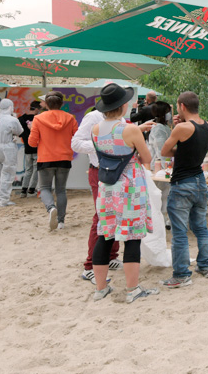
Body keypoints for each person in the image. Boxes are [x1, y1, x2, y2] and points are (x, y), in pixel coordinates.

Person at [90, 83, 158, 303]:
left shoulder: (96, 129)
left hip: (108, 187)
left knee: (105, 234)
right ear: (123, 105)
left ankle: (100, 288)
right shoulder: (130, 129)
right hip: (130, 186)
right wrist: (138, 136)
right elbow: (146, 158)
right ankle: (132, 289)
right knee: (132, 236)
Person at [160, 91, 208, 288]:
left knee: (180, 232)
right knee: (200, 227)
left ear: (182, 106)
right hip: (200, 182)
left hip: (183, 183)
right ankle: (205, 266)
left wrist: (176, 128)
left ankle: (182, 274)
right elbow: (191, 149)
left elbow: (165, 151)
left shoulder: (182, 128)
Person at [71, 107, 121, 284]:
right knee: (101, 217)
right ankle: (90, 266)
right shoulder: (93, 117)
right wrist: (99, 145)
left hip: (117, 172)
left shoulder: (121, 119)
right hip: (99, 171)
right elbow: (76, 143)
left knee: (115, 215)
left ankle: (112, 256)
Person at [29, 91, 79, 231]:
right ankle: (61, 221)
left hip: (45, 158)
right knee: (61, 190)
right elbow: (77, 137)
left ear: (47, 104)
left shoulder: (38, 119)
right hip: (64, 158)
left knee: (44, 188)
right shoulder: (70, 118)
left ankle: (51, 208)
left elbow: (32, 143)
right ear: (61, 104)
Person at [0, 99, 23, 207]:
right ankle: (3, 199)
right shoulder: (12, 119)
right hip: (8, 146)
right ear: (10, 107)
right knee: (8, 172)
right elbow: (19, 132)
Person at [146, 101, 173, 227]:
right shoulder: (158, 129)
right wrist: (167, 168)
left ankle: (165, 220)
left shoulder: (164, 127)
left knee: (165, 193)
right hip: (158, 168)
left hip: (163, 166)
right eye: (168, 111)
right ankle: (161, 220)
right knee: (161, 194)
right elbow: (161, 150)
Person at [18, 100, 41, 197]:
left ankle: (23, 190)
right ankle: (32, 189)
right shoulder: (38, 119)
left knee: (28, 170)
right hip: (37, 148)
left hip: (27, 148)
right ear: (36, 109)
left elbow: (19, 133)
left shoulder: (21, 119)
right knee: (36, 169)